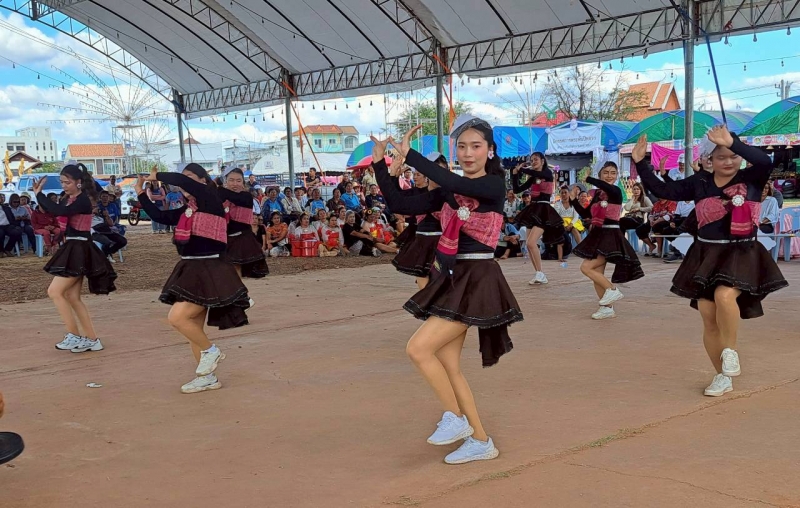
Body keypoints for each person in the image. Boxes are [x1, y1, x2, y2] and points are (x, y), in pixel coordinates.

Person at [374, 115, 523, 465]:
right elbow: (401, 205)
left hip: (478, 281)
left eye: (476, 146)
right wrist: (382, 166)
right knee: (448, 364)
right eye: (462, 146)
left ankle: (456, 419)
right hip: (453, 278)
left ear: (490, 150)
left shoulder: (493, 185)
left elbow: (450, 179)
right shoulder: (448, 190)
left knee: (418, 349)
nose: (468, 153)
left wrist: (411, 155)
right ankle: (481, 441)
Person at [633, 128, 788, 397]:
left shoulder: (751, 177)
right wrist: (640, 162)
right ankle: (722, 376)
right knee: (708, 315)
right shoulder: (700, 182)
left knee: (724, 296)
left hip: (741, 252)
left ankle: (730, 351)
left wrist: (732, 142)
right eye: (721, 157)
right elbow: (662, 189)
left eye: (733, 156)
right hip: (706, 254)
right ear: (709, 160)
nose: (728, 161)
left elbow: (765, 161)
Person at [137, 164, 250, 394]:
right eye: (183, 178)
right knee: (193, 329)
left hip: (209, 269)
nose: (184, 183)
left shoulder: (210, 198)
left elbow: (183, 181)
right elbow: (159, 216)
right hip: (191, 268)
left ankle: (211, 351)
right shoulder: (189, 209)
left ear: (202, 180)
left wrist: (156, 176)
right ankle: (207, 377)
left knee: (177, 318)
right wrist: (141, 192)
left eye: (190, 178)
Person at [33, 164, 117, 353]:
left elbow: (58, 211)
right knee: (72, 296)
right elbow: (58, 211)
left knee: (54, 291)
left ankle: (75, 335)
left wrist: (38, 194)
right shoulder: (70, 200)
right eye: (62, 182)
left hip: (79, 248)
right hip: (74, 247)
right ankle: (92, 340)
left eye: (67, 182)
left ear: (79, 182)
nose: (64, 185)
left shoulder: (82, 200)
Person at [571, 162, 644, 320]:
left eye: (613, 173)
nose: (609, 176)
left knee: (586, 267)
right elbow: (586, 214)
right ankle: (607, 308)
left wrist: (588, 179)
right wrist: (573, 201)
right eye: (606, 172)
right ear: (600, 174)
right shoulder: (598, 194)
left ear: (617, 175)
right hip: (597, 234)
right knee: (597, 274)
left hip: (610, 235)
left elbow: (606, 187)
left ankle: (612, 289)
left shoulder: (616, 191)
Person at [377, 151, 444, 289]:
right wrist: (393, 175)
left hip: (440, 239)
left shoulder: (445, 193)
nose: (415, 176)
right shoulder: (416, 193)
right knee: (422, 275)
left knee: (438, 276)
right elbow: (396, 200)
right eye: (415, 174)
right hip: (421, 237)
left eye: (418, 174)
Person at [513, 152, 566, 283]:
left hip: (543, 210)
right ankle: (539, 273)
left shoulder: (547, 173)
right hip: (533, 210)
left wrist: (522, 169)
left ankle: (540, 273)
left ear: (542, 161)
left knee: (531, 242)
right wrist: (514, 174)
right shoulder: (533, 176)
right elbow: (517, 190)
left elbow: (537, 173)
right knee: (529, 245)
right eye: (531, 160)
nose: (533, 162)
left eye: (536, 159)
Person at [219, 167, 269, 282]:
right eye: (231, 180)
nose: (235, 184)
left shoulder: (246, 197)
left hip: (241, 238)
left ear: (243, 182)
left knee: (236, 267)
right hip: (223, 239)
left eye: (238, 180)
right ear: (226, 181)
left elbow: (229, 195)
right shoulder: (220, 197)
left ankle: (238, 292)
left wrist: (217, 187)